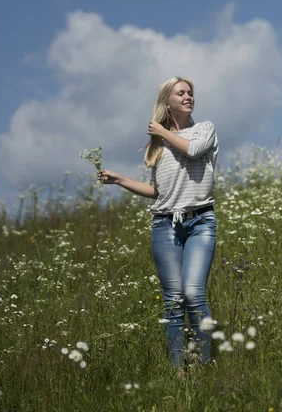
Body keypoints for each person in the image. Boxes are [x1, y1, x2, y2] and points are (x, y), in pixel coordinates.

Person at [98, 76, 218, 376]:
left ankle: (203, 366)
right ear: (168, 102)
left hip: (200, 221)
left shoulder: (204, 129)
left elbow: (192, 150)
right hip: (165, 225)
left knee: (193, 293)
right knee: (173, 298)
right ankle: (179, 370)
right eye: (181, 93)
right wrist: (120, 181)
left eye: (191, 92)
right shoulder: (158, 147)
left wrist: (163, 131)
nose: (188, 96)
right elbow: (157, 191)